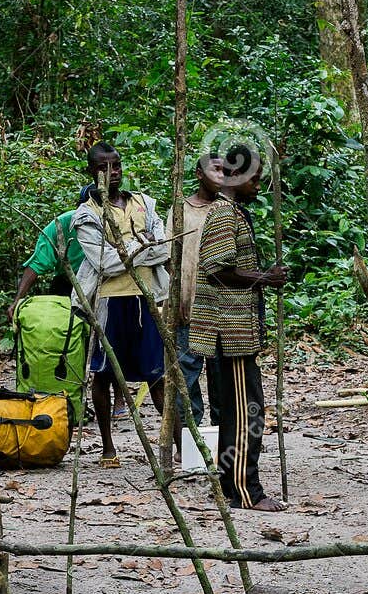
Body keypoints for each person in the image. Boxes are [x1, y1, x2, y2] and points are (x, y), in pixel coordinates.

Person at [191, 152, 287, 512]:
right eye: (254, 179)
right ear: (233, 175)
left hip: (239, 331)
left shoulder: (232, 212)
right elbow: (216, 269)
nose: (257, 187)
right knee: (248, 412)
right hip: (228, 332)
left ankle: (234, 486)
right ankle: (246, 491)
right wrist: (265, 278)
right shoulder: (223, 213)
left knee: (241, 410)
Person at [72, 142, 171, 467]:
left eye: (116, 165)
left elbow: (164, 249)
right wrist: (140, 244)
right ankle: (107, 448)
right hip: (108, 301)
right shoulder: (87, 214)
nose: (112, 173)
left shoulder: (145, 204)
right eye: (104, 167)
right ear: (92, 172)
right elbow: (105, 264)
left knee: (157, 373)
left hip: (146, 298)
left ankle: (176, 447)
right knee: (103, 374)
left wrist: (129, 248)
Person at [168, 153, 227, 425]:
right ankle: (191, 436)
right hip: (188, 305)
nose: (222, 176)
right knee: (187, 375)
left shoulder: (228, 209)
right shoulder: (182, 210)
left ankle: (222, 435)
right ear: (199, 174)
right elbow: (172, 258)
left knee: (221, 378)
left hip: (222, 309)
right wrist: (178, 295)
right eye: (216, 170)